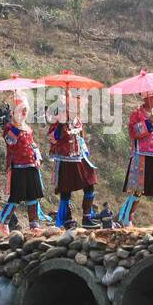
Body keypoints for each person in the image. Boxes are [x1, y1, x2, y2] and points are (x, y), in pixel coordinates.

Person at [119, 89, 153, 228]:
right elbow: (133, 132)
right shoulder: (136, 114)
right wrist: (147, 124)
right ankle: (126, 219)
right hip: (141, 156)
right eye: (152, 97)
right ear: (145, 98)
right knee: (137, 190)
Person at [48, 89, 99, 228]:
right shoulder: (58, 121)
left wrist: (85, 152)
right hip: (65, 159)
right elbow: (53, 138)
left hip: (79, 157)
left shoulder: (77, 120)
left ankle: (87, 217)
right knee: (66, 191)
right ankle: (65, 220)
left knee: (90, 184)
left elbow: (80, 138)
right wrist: (61, 126)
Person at [0, 90, 45, 233]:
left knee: (33, 197)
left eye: (25, 110)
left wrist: (38, 157)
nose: (23, 113)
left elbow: (33, 144)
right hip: (17, 166)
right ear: (15, 112)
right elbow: (10, 142)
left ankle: (34, 225)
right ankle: (3, 222)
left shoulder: (28, 128)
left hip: (31, 165)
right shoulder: (9, 128)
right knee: (15, 198)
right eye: (21, 110)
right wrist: (16, 127)